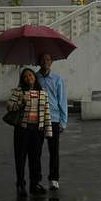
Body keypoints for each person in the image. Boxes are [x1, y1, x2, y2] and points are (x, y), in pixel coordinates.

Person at [6, 67, 52, 198]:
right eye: (25, 76)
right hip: (22, 130)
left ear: (34, 77)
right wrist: (20, 102)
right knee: (20, 158)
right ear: (22, 79)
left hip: (37, 131)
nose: (28, 78)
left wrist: (48, 132)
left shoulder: (43, 93)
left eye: (30, 75)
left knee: (35, 158)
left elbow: (47, 113)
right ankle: (21, 184)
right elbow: (9, 106)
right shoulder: (18, 91)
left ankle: (35, 184)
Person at [37, 53, 68, 191]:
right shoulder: (34, 78)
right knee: (35, 151)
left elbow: (62, 100)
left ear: (51, 62)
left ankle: (54, 179)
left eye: (48, 59)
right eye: (43, 60)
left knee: (53, 151)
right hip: (36, 119)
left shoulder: (57, 79)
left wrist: (63, 121)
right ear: (39, 62)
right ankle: (36, 179)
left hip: (53, 119)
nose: (45, 62)